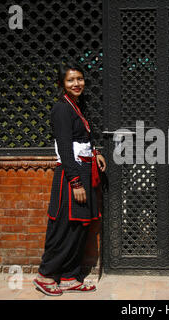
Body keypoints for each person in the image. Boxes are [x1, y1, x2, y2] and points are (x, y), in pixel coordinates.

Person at [33, 61, 106, 296]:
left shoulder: (77, 105)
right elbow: (64, 147)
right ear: (62, 84)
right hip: (70, 176)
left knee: (79, 227)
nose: (77, 83)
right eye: (71, 80)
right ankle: (46, 276)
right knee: (64, 226)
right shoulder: (61, 109)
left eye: (80, 79)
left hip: (85, 170)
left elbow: (82, 140)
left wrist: (96, 153)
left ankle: (69, 277)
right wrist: (75, 182)